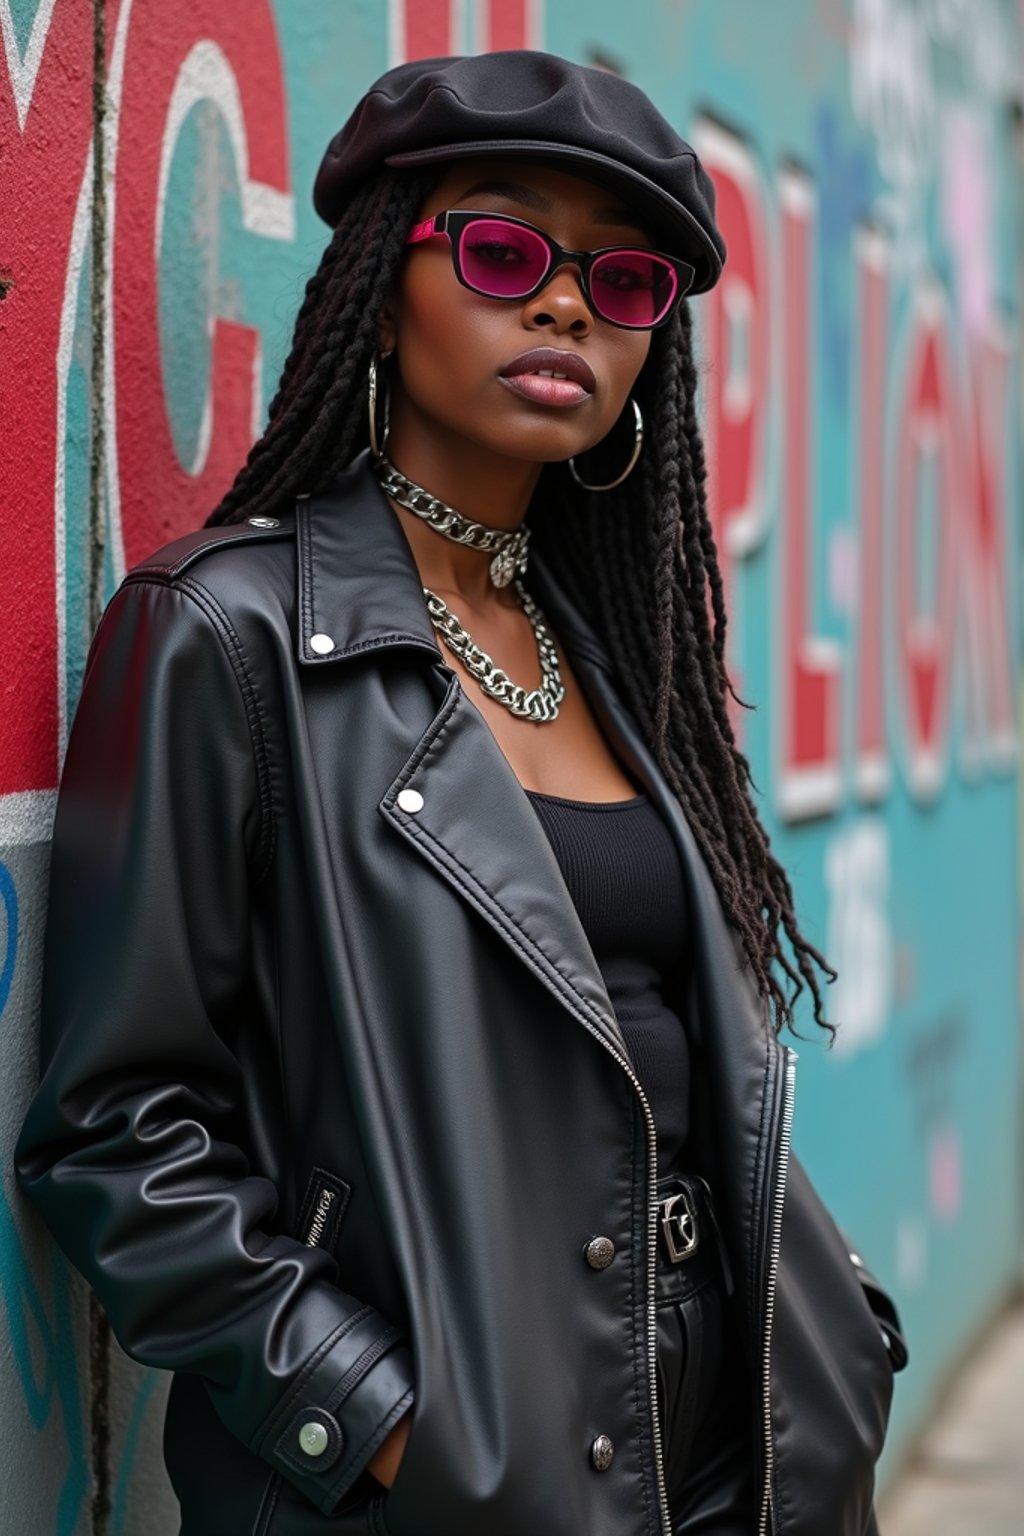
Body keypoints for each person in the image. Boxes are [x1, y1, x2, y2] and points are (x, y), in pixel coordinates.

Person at [14, 49, 907, 1536]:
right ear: (385, 278)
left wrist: (844, 1328)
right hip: (458, 1477)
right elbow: (116, 1128)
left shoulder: (620, 657)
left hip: (752, 1448)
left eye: (623, 284)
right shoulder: (227, 639)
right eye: (502, 250)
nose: (564, 302)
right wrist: (378, 1425)